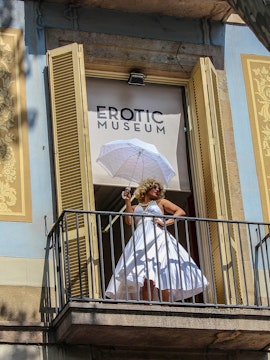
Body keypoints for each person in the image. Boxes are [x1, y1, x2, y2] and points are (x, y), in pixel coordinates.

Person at [105, 178, 208, 302]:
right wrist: (127, 200)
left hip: (158, 238)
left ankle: (165, 308)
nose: (157, 190)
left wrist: (166, 222)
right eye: (154, 187)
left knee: (162, 272)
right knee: (145, 276)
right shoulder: (134, 207)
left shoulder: (160, 202)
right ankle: (147, 306)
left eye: (159, 188)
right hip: (141, 241)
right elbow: (129, 221)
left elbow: (180, 212)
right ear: (146, 189)